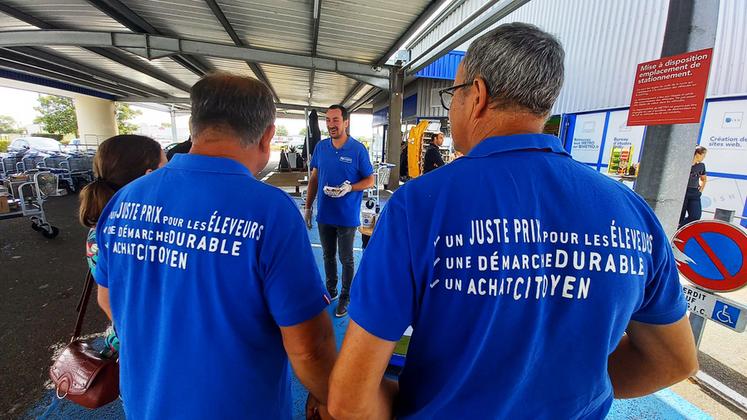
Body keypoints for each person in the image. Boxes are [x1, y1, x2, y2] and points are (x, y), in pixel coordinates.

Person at [328, 23, 698, 419]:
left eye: (454, 94)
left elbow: (351, 399)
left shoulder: (418, 207)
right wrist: (559, 395)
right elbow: (673, 360)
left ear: (478, 96)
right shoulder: (631, 212)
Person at [93, 73, 337, 419]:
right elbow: (309, 347)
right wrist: (332, 397)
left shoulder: (125, 200)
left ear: (194, 127)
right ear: (268, 136)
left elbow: (108, 298)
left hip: (145, 404)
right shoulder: (269, 211)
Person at [79, 134, 167, 352]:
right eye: (166, 168)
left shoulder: (105, 226)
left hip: (131, 335)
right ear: (149, 176)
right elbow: (107, 300)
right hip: (143, 341)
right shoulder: (139, 229)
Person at [304, 104, 375, 318]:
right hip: (325, 214)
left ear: (346, 122)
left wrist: (350, 188)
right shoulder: (321, 148)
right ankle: (332, 290)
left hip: (346, 216)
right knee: (327, 255)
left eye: (335, 120)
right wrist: (307, 207)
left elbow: (370, 179)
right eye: (328, 120)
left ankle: (345, 296)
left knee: (346, 258)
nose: (331, 125)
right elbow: (315, 178)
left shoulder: (357, 149)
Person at [678, 146, 707, 228]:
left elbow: (704, 179)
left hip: (694, 193)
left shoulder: (701, 166)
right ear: (697, 154)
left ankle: (679, 229)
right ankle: (675, 231)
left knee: (695, 216)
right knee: (679, 216)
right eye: (703, 155)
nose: (704, 158)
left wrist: (700, 191)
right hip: (683, 192)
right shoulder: (684, 165)